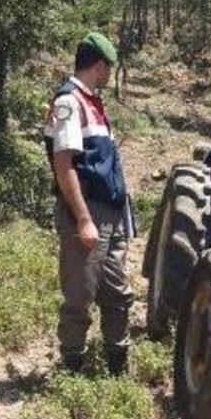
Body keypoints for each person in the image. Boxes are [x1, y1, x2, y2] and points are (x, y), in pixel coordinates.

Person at [44, 31, 134, 374]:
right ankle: (72, 366)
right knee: (80, 294)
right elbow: (63, 164)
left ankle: (117, 364)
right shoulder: (69, 102)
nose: (110, 75)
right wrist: (83, 219)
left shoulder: (93, 102)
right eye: (108, 68)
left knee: (116, 291)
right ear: (99, 66)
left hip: (108, 214)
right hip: (87, 211)